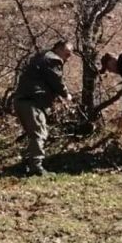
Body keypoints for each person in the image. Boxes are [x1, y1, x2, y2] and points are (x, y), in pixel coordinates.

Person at [13, 41, 74, 176]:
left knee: (33, 134)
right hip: (31, 102)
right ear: (58, 49)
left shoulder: (41, 57)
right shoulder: (53, 60)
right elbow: (56, 81)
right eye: (67, 53)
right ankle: (36, 168)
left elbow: (44, 80)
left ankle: (28, 164)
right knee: (39, 133)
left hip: (22, 100)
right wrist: (66, 95)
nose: (68, 57)